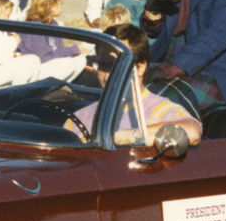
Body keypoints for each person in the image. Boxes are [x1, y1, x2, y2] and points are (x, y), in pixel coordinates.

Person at [67, 24, 202, 146]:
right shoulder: (81, 117)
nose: (107, 76)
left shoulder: (160, 110)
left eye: (116, 66)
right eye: (102, 65)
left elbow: (191, 131)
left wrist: (125, 137)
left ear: (140, 68)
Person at [18, 0, 92, 82]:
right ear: (51, 7)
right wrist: (73, 50)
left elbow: (59, 50)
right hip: (35, 69)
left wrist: (76, 51)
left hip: (49, 64)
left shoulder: (54, 24)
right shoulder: (36, 26)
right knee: (69, 64)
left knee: (81, 61)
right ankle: (45, 88)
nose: (63, 6)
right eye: (61, 3)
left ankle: (59, 87)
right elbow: (44, 58)